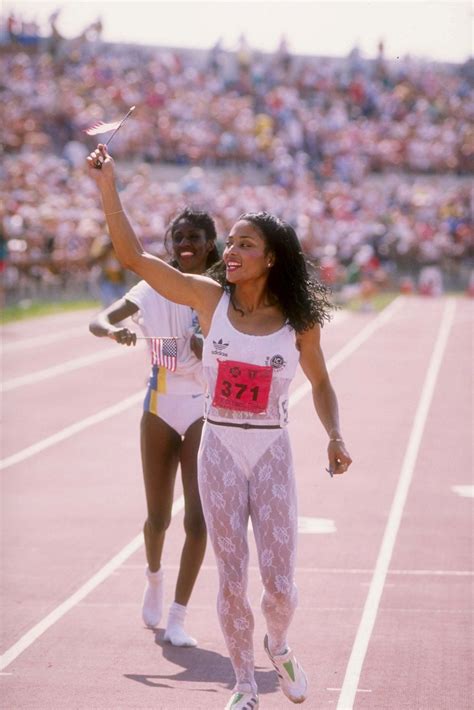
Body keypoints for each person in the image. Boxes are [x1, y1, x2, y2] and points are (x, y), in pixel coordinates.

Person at [87, 143, 352, 710]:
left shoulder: (298, 322)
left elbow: (322, 383)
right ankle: (242, 686)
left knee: (279, 586)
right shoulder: (208, 299)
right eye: (228, 241)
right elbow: (134, 259)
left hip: (271, 451)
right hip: (220, 451)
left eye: (244, 243)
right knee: (231, 577)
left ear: (272, 257)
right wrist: (108, 184)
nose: (229, 250)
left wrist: (334, 434)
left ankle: (277, 645)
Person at [89, 206, 219, 647]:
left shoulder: (222, 292)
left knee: (199, 521)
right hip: (160, 407)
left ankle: (179, 616)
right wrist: (113, 331)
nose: (185, 244)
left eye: (194, 237)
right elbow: (98, 320)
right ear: (169, 244)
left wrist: (211, 350)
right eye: (178, 236)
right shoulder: (152, 285)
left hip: (203, 407)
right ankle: (154, 577)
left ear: (209, 243)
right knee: (159, 518)